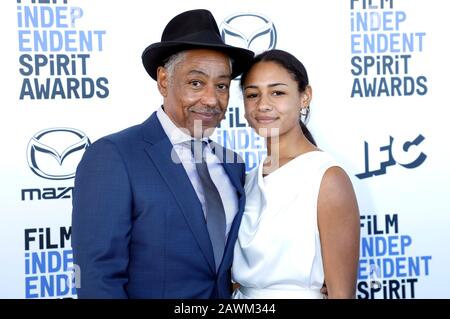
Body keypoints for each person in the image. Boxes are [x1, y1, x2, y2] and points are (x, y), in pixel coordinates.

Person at [71, 9, 254, 298]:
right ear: (164, 80)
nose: (211, 99)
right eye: (196, 83)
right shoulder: (113, 156)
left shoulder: (233, 165)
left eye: (221, 85)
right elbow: (97, 276)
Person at [231, 49, 360, 299]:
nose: (263, 105)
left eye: (277, 92)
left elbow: (342, 294)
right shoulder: (248, 180)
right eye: (252, 95)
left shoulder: (327, 179)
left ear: (305, 97)